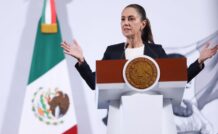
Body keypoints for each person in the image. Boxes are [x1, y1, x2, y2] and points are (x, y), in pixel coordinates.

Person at [61, 4, 218, 91]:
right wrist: (81, 60)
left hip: (152, 113)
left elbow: (178, 78)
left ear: (143, 24)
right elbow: (94, 83)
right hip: (121, 115)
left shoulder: (156, 51)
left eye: (131, 19)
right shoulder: (113, 51)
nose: (125, 23)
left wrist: (199, 61)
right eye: (122, 19)